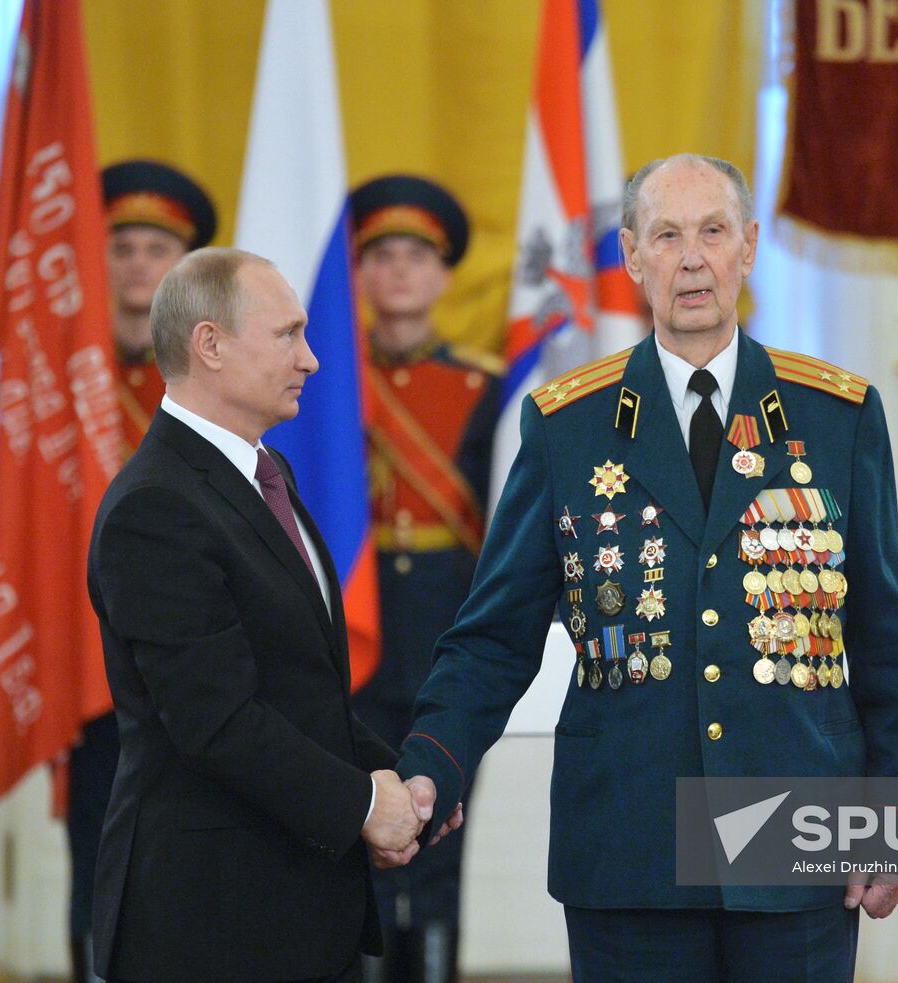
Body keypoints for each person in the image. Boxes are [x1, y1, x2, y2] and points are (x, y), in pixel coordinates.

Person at [390, 154, 898, 981]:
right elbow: (493, 637)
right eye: (666, 235)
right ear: (632, 257)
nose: (691, 258)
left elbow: (882, 640)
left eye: (713, 232)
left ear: (747, 249)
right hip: (629, 852)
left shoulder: (835, 416)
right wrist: (434, 763)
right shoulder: (568, 425)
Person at [87, 247, 458, 983]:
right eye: (288, 334)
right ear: (211, 345)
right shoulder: (155, 506)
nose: (314, 360)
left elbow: (299, 687)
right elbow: (216, 720)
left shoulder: (268, 471)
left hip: (296, 906)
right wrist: (363, 805)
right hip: (208, 922)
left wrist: (401, 779)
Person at [64, 159, 216, 983]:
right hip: (88, 644)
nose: (133, 264)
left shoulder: (205, 385)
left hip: (194, 640)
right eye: (118, 245)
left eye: (155, 247)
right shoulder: (65, 382)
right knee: (95, 835)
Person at [348, 174, 501, 983]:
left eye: (417, 256)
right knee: (357, 835)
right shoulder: (326, 385)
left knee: (442, 837)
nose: (399, 272)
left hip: (446, 627)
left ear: (444, 276)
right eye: (381, 256)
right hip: (355, 629)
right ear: (360, 275)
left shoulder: (486, 386)